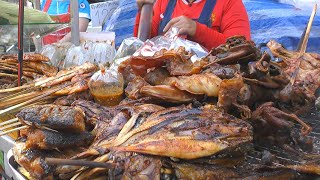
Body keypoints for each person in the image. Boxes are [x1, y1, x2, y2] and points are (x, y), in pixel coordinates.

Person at [134, 0, 251, 50]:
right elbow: (140, 47)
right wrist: (143, 11)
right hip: (165, 80)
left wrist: (197, 30)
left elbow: (242, 48)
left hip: (210, 82)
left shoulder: (229, 3)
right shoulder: (163, 2)